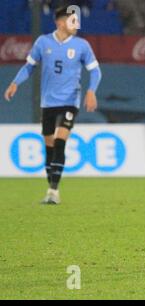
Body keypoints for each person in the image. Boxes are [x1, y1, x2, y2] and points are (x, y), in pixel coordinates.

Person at [4, 4, 102, 204]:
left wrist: (91, 91)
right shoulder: (43, 42)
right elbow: (29, 67)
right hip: (48, 103)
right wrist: (15, 83)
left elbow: (95, 71)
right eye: (72, 20)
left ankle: (53, 190)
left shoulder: (82, 46)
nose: (76, 24)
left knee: (59, 142)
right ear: (60, 22)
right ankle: (51, 186)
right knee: (49, 147)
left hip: (70, 102)